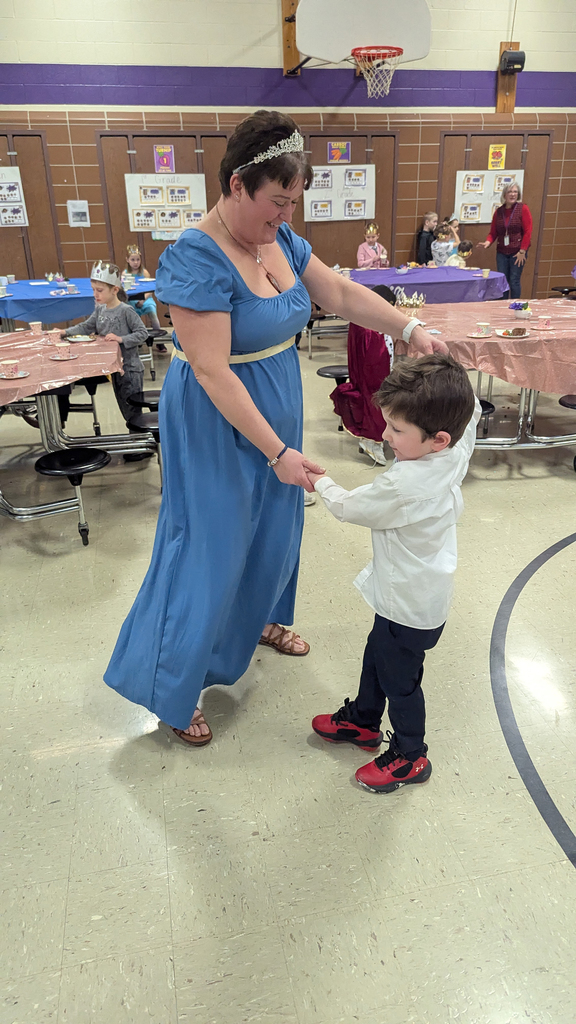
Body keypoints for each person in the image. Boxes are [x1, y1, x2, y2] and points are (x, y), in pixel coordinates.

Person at [103, 109, 447, 747]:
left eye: (293, 202)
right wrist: (278, 451)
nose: (285, 215)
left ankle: (260, 618)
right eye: (275, 201)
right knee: (210, 545)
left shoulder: (281, 241)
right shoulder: (194, 258)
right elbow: (209, 370)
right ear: (236, 184)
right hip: (218, 414)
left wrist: (409, 327)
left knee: (277, 528)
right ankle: (172, 686)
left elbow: (339, 294)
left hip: (275, 400)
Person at [308, 354, 481, 794]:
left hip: (410, 605)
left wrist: (317, 482)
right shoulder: (456, 450)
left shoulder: (404, 487)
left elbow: (349, 507)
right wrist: (446, 366)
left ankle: (410, 755)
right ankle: (364, 721)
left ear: (437, 438)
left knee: (401, 682)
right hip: (408, 597)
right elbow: (472, 409)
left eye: (397, 430)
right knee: (376, 656)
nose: (386, 435)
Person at [61, 261, 148, 446]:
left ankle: (141, 444)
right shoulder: (100, 309)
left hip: (130, 369)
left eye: (99, 290)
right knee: (124, 407)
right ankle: (136, 442)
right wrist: (64, 333)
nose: (95, 294)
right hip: (115, 370)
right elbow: (87, 326)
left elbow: (142, 333)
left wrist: (121, 339)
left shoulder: (126, 311)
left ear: (115, 290)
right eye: (93, 290)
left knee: (133, 410)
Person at [331, 284, 395, 467]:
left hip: (366, 374)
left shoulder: (361, 321)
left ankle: (374, 440)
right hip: (373, 378)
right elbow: (376, 360)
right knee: (375, 406)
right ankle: (371, 442)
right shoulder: (369, 330)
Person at [476, 182, 532, 299]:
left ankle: (515, 304)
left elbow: (528, 231)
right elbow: (493, 232)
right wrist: (487, 242)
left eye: (515, 192)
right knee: (503, 279)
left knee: (514, 280)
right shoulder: (499, 211)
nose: (513, 194)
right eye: (510, 192)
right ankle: (503, 303)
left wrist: (522, 251)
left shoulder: (523, 208)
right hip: (502, 251)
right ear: (504, 195)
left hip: (517, 251)